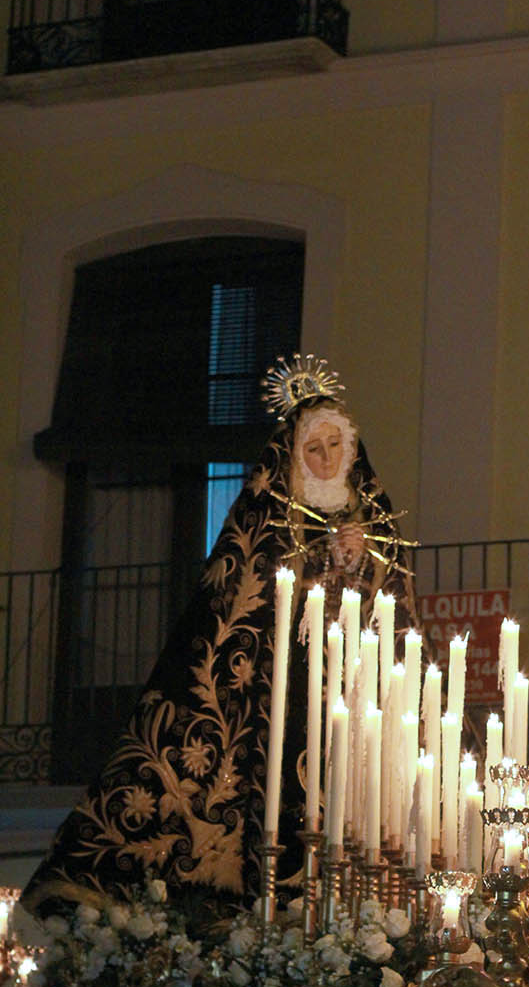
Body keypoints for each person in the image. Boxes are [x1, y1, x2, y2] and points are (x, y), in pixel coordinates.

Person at [21, 356, 416, 917]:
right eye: (314, 448)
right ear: (293, 456)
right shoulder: (267, 516)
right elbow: (244, 599)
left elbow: (395, 605)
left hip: (354, 685)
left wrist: (360, 561)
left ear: (351, 449)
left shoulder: (373, 519)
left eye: (335, 445)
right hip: (279, 686)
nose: (327, 458)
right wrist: (316, 564)